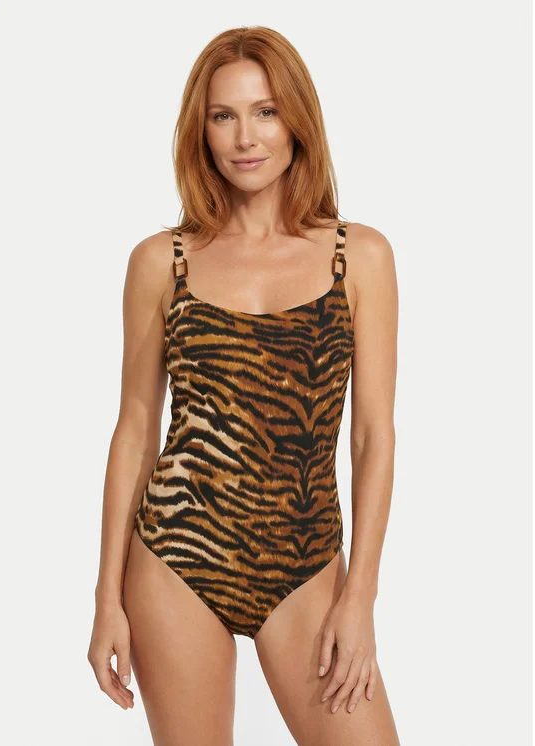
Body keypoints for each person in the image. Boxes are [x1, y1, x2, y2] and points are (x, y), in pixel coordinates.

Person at [88, 25, 400, 746]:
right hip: (177, 552)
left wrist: (360, 596)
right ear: (200, 132)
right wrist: (107, 596)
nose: (244, 137)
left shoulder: (360, 256)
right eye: (222, 116)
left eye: (265, 111)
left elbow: (373, 436)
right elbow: (135, 428)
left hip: (306, 559)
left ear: (297, 121)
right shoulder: (161, 261)